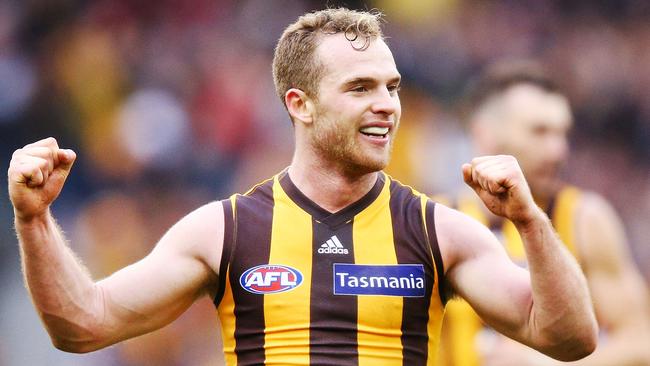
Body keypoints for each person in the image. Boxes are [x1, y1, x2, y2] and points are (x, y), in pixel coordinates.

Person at [7, 8, 597, 365]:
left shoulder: (438, 229)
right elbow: (83, 325)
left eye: (392, 87)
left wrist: (530, 222)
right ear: (301, 104)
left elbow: (568, 338)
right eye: (361, 87)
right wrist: (34, 221)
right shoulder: (225, 229)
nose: (387, 106)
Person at [438, 62, 650, 366]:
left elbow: (640, 344)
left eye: (562, 133)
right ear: (484, 135)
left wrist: (545, 364)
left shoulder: (584, 219)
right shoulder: (439, 218)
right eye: (539, 132)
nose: (558, 150)